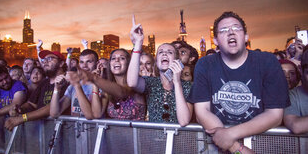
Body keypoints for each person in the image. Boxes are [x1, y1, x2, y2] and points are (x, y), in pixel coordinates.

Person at [187, 11, 289, 153]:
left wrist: (230, 134)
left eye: (236, 28)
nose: (230, 33)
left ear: (246, 36)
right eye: (223, 30)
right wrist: (236, 147)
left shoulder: (267, 61)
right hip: (219, 146)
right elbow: (202, 112)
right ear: (215, 40)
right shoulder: (205, 64)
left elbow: (275, 115)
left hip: (260, 142)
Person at [127, 15, 192, 126]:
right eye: (161, 52)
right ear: (156, 61)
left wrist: (177, 83)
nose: (164, 53)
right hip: (154, 140)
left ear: (176, 60)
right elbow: (132, 82)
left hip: (178, 140)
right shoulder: (151, 83)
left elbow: (184, 121)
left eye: (169, 52)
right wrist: (138, 44)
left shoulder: (188, 86)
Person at [4, 50, 68, 131]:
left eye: (50, 58)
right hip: (42, 131)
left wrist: (22, 118)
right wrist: (20, 109)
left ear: (61, 63)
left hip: (60, 131)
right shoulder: (44, 82)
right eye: (44, 60)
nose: (45, 62)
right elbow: (31, 103)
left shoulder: (66, 81)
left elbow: (51, 108)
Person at [79, 48, 146, 120]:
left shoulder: (136, 83)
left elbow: (122, 92)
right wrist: (95, 84)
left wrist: (95, 79)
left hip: (137, 131)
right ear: (110, 64)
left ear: (128, 64)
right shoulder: (108, 90)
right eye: (113, 58)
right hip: (114, 131)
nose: (116, 60)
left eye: (122, 58)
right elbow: (97, 114)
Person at [50, 49, 106, 119]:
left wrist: (77, 85)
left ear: (97, 64)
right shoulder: (72, 86)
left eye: (89, 62)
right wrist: (56, 89)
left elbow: (94, 116)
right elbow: (54, 114)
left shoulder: (103, 86)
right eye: (82, 62)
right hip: (76, 129)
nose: (84, 66)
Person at [283, 50, 308, 134]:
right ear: (301, 70)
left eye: (292, 73)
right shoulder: (292, 95)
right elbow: (296, 126)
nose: (287, 77)